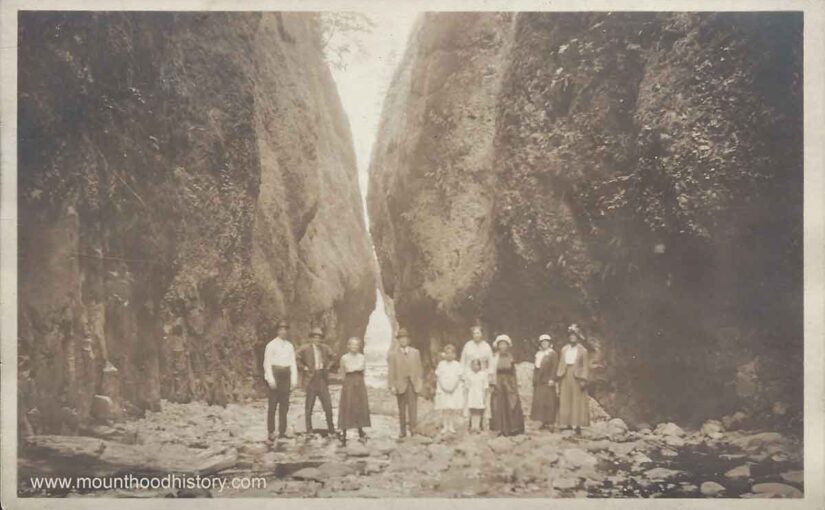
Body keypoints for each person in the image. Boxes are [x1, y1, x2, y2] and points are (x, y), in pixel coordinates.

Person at [295, 326, 338, 437]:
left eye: (319, 338)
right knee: (309, 406)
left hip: (322, 378)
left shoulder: (325, 348)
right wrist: (303, 367)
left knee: (327, 405)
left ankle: (331, 429)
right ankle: (309, 430)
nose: (317, 340)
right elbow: (296, 357)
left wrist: (328, 367)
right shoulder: (305, 348)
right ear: (311, 338)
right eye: (315, 337)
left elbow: (334, 356)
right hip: (310, 379)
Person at [263, 320, 298, 441]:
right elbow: (267, 363)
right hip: (275, 373)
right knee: (272, 405)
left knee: (285, 404)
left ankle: (282, 431)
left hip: (286, 375)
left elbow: (293, 363)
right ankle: (271, 431)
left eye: (285, 329)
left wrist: (294, 380)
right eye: (281, 329)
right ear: (277, 331)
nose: (283, 331)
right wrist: (270, 379)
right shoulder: (271, 345)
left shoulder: (289, 346)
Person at [387, 328, 423, 438]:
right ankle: (402, 431)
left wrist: (419, 382)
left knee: (413, 408)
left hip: (412, 384)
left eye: (405, 338)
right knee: (401, 409)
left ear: (409, 340)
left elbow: (419, 369)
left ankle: (413, 430)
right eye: (401, 339)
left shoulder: (415, 352)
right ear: (398, 340)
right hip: (400, 385)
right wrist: (392, 385)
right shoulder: (393, 354)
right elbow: (391, 371)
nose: (403, 340)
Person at [556, 324, 590, 434]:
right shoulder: (564, 349)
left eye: (574, 336)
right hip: (565, 374)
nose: (572, 337)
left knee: (577, 400)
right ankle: (566, 423)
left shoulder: (583, 351)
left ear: (578, 337)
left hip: (577, 376)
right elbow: (561, 363)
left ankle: (577, 424)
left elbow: (585, 365)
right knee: (565, 398)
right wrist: (559, 376)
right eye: (570, 336)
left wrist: (583, 379)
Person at [489, 334, 525, 436]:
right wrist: (492, 383)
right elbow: (491, 371)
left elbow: (513, 371)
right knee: (498, 404)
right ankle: (500, 428)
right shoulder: (495, 357)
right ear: (498, 346)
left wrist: (515, 383)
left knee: (512, 402)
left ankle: (513, 428)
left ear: (508, 345)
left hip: (509, 382)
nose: (503, 346)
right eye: (501, 344)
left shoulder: (510, 356)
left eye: (505, 344)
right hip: (498, 382)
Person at [338, 337, 370, 445]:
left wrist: (359, 381)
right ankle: (344, 432)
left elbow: (363, 371)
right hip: (349, 382)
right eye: (352, 344)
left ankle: (361, 431)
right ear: (348, 346)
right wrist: (347, 383)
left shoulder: (362, 357)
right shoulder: (344, 358)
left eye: (356, 345)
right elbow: (342, 373)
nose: (354, 347)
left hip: (359, 381)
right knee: (347, 406)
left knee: (359, 406)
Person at [459, 326, 493, 429]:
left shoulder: (486, 346)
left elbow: (490, 362)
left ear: (481, 334)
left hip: (482, 375)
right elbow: (463, 360)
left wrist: (489, 375)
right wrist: (463, 375)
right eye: (474, 333)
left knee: (482, 399)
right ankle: (470, 423)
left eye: (478, 333)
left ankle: (481, 423)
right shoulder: (468, 345)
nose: (476, 335)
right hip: (469, 375)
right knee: (469, 399)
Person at [530, 334, 559, 430]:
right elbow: (536, 368)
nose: (544, 344)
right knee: (540, 402)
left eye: (546, 342)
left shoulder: (552, 354)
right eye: (542, 342)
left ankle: (550, 422)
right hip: (539, 380)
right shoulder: (538, 354)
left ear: (549, 343)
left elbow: (554, 367)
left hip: (548, 379)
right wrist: (534, 379)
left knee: (549, 401)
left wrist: (552, 379)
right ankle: (542, 421)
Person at [435, 344, 465, 435]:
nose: (449, 355)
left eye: (451, 353)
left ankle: (451, 426)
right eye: (447, 353)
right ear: (444, 354)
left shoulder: (457, 364)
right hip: (443, 388)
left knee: (451, 408)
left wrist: (453, 387)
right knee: (445, 408)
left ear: (455, 355)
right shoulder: (441, 364)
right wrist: (443, 387)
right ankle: (445, 426)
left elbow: (459, 377)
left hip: (453, 389)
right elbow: (439, 376)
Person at [464, 358, 489, 433]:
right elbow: (467, 387)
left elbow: (485, 386)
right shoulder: (469, 375)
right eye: (473, 365)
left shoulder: (483, 375)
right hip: (472, 394)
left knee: (478, 410)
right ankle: (472, 426)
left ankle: (478, 426)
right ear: (471, 366)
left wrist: (485, 396)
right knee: (472, 410)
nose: (475, 367)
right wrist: (466, 397)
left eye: (477, 365)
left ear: (479, 366)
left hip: (480, 394)